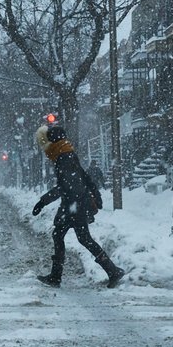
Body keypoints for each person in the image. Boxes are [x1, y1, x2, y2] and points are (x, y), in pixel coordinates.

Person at [31, 123, 126, 289]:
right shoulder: (67, 154)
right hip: (75, 204)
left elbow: (66, 186)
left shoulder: (63, 157)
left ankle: (57, 276)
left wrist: (43, 201)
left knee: (70, 237)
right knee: (76, 237)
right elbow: (85, 177)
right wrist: (96, 195)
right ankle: (111, 270)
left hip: (73, 205)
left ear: (52, 143)